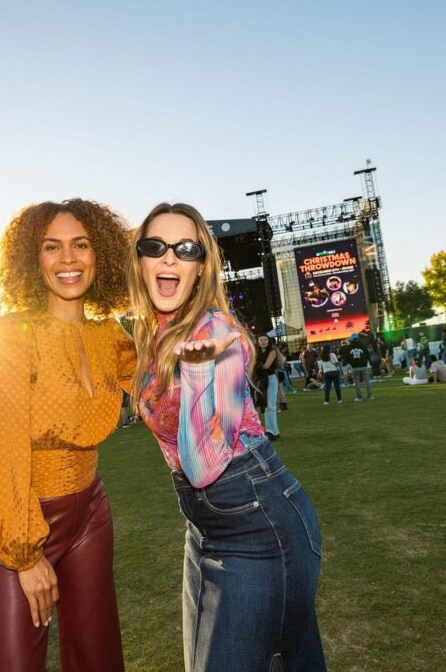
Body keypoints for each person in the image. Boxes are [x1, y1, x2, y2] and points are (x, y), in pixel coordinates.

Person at [128, 202, 325, 671]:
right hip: (206, 528)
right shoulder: (151, 335)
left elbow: (202, 467)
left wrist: (197, 370)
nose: (170, 257)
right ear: (140, 261)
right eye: (155, 246)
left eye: (186, 248)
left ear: (201, 268)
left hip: (260, 523)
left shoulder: (218, 333)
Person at [0, 199, 132, 671]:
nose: (67, 259)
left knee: (99, 660)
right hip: (18, 524)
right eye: (51, 247)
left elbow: (161, 388)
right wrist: (23, 556)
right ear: (31, 258)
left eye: (81, 245)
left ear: (99, 254)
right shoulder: (11, 333)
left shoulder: (109, 335)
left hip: (90, 516)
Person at [254, 335, 281, 437]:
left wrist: (255, 365)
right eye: (261, 340)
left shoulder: (272, 352)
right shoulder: (257, 352)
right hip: (261, 380)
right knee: (265, 405)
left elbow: (266, 366)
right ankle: (274, 431)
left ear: (268, 341)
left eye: (265, 340)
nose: (263, 342)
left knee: (270, 406)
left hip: (270, 379)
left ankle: (271, 431)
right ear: (258, 341)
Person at [344, 334, 373, 401]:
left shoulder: (349, 347)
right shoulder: (363, 346)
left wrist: (351, 363)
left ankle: (359, 397)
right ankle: (370, 396)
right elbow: (368, 355)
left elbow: (347, 358)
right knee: (367, 382)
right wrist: (367, 362)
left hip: (354, 367)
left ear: (351, 339)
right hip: (364, 366)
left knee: (356, 383)